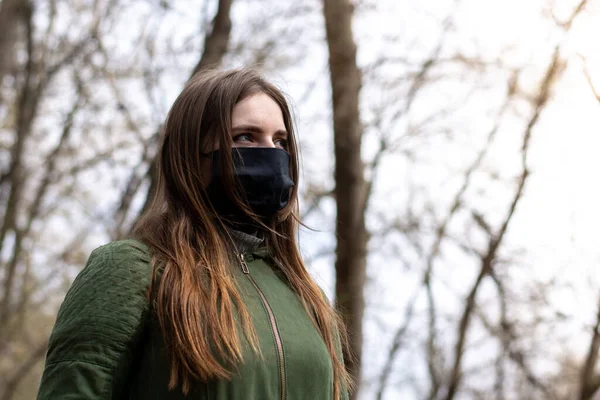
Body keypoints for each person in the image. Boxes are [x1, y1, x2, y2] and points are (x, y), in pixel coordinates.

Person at [36, 68, 352, 400]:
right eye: (245, 137)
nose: (271, 154)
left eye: (280, 141)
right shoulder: (135, 269)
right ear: (191, 153)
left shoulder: (305, 295)